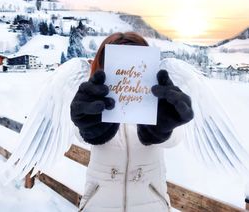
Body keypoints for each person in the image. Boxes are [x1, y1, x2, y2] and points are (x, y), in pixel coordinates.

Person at [70, 32, 194, 212]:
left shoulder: (157, 100)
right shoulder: (92, 98)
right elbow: (80, 134)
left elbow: (175, 139)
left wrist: (162, 128)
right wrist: (89, 126)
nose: (127, 71)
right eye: (117, 63)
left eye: (135, 62)